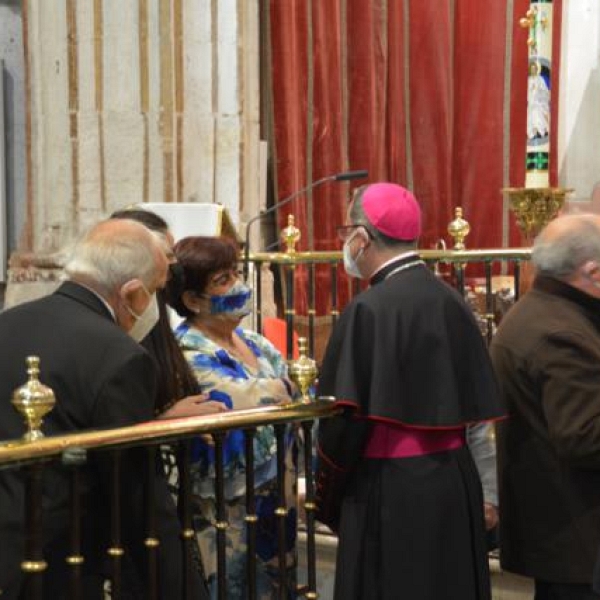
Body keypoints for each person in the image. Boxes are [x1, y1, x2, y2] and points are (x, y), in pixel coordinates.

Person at [314, 182, 505, 600]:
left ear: (362, 237)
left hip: (390, 490)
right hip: (454, 480)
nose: (345, 242)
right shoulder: (451, 300)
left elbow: (342, 424)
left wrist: (326, 495)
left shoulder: (367, 309)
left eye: (347, 231)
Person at [0, 219, 208, 600]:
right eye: (158, 290)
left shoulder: (7, 324)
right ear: (132, 293)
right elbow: (134, 490)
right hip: (67, 562)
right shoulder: (120, 356)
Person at [166, 235, 299, 599]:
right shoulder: (187, 352)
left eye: (237, 273)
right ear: (193, 300)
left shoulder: (255, 343)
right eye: (222, 280)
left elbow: (295, 388)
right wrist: (285, 388)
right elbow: (248, 398)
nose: (238, 285)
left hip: (276, 500)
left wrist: (289, 388)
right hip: (224, 511)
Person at [490, 214, 600, 600]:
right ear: (594, 272)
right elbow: (584, 437)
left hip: (562, 537)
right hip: (579, 540)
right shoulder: (562, 333)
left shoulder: (540, 311)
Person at [109, 207, 226, 419]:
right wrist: (166, 421)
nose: (173, 266)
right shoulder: (119, 324)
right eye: (167, 256)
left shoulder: (156, 307)